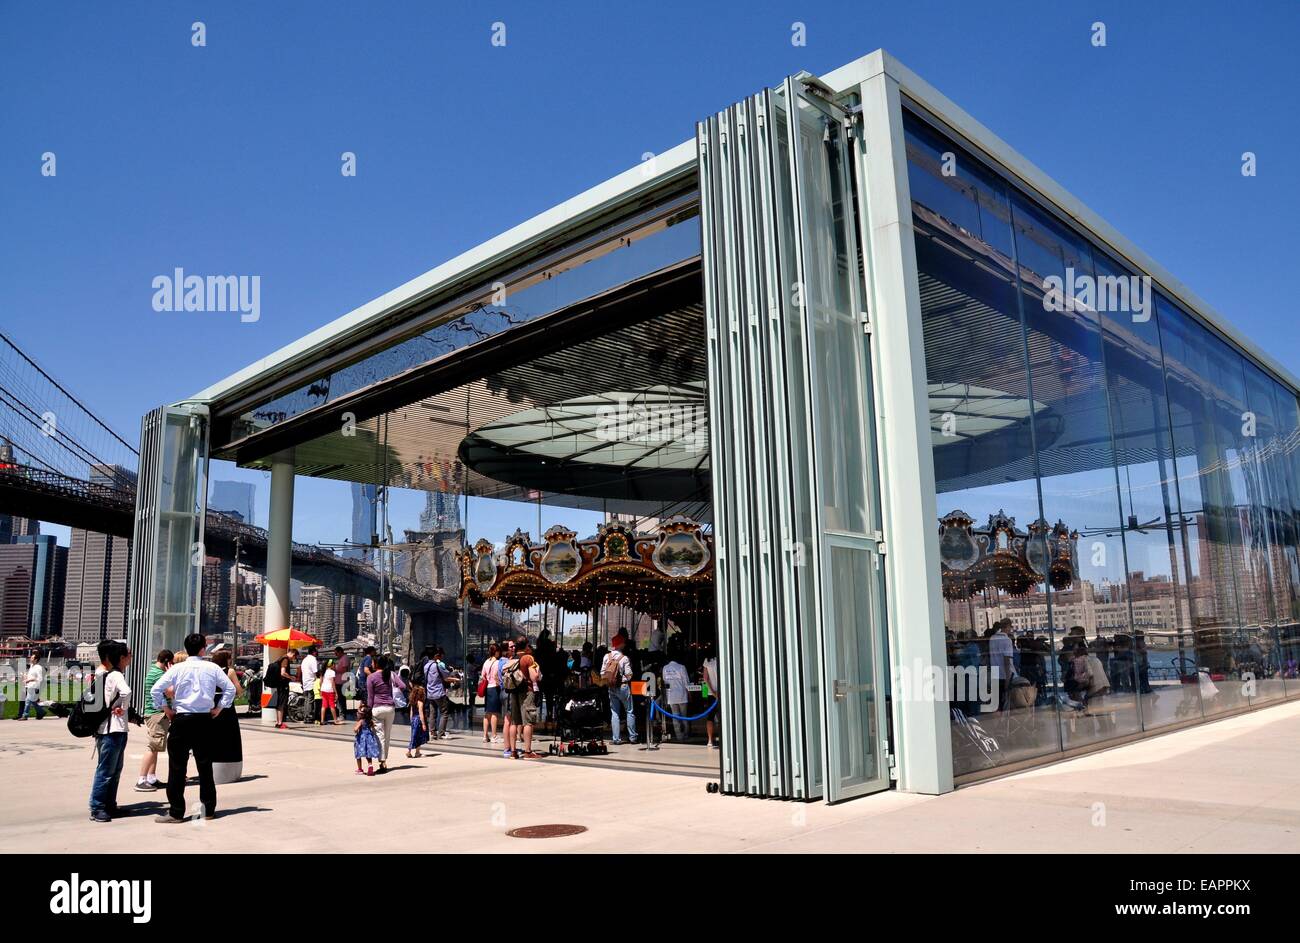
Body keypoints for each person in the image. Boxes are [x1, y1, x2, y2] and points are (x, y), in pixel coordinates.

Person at [150, 633, 236, 824]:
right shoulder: (212, 667)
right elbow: (230, 689)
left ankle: (176, 812)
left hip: (181, 719)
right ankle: (207, 810)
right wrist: (219, 708)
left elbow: (156, 689)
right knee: (205, 767)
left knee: (177, 767)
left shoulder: (178, 668)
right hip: (204, 719)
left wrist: (166, 708)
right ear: (203, 648)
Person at [88, 639, 133, 823]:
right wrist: (121, 706)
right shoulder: (115, 675)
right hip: (112, 729)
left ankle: (108, 805)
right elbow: (127, 692)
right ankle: (98, 806)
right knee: (107, 771)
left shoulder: (105, 674)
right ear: (120, 658)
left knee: (113, 770)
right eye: (128, 655)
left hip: (111, 728)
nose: (130, 658)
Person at [135, 649, 174, 791]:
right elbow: (170, 692)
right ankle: (141, 779)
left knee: (156, 747)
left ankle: (151, 777)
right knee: (152, 747)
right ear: (167, 662)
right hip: (157, 714)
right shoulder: (159, 674)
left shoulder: (153, 671)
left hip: (155, 714)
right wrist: (171, 674)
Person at [365, 655, 406, 773]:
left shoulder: (371, 677)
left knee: (379, 735)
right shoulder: (391, 674)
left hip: (377, 709)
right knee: (387, 735)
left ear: (376, 664)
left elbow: (370, 697)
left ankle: (382, 761)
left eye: (372, 662)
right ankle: (384, 760)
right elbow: (402, 686)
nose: (371, 664)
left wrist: (368, 711)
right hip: (390, 708)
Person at [504, 634, 541, 759]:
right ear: (526, 645)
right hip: (526, 692)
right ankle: (528, 751)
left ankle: (513, 752)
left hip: (513, 691)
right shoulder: (528, 658)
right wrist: (538, 671)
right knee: (528, 722)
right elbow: (533, 677)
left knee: (514, 722)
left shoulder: (512, 658)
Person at [601, 632, 638, 745]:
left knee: (615, 713)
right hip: (623, 687)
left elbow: (602, 673)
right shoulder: (624, 658)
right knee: (629, 711)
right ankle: (632, 737)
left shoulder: (606, 657)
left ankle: (616, 738)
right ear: (620, 644)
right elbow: (629, 674)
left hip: (611, 687)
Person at [662, 645, 691, 742]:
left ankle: (679, 737)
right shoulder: (681, 667)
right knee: (684, 717)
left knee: (675, 717)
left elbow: (665, 682)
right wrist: (690, 694)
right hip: (682, 695)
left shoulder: (665, 668)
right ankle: (686, 735)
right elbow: (686, 682)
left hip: (671, 696)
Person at [425, 647, 453, 740]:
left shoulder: (426, 666)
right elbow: (446, 674)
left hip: (430, 692)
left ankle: (432, 732)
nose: (441, 657)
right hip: (438, 692)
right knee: (444, 712)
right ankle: (441, 733)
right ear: (436, 655)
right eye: (440, 655)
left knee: (432, 713)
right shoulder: (437, 665)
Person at [481, 642, 502, 744]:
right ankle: (494, 735)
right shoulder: (498, 663)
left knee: (487, 713)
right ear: (496, 652)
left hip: (487, 688)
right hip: (495, 688)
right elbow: (498, 677)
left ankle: (485, 736)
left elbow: (483, 676)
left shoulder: (486, 662)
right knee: (494, 713)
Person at [265, 654, 293, 728]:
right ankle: (280, 723)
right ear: (293, 654)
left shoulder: (280, 658)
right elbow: (282, 673)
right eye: (294, 657)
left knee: (279, 704)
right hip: (283, 685)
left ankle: (278, 722)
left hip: (279, 685)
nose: (293, 659)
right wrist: (291, 677)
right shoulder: (285, 659)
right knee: (281, 704)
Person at [702, 645, 721, 749]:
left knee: (710, 717)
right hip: (722, 693)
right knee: (722, 716)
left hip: (710, 693)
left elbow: (705, 678)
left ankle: (710, 740)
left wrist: (713, 692)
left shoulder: (706, 661)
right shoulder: (722, 657)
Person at [353, 704, 380, 775]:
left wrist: (356, 729)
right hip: (369, 738)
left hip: (361, 739)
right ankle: (370, 765)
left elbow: (355, 729)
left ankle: (360, 769)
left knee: (358, 753)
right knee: (368, 753)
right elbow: (374, 728)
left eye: (359, 713)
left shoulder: (361, 721)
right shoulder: (369, 721)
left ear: (362, 715)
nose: (357, 713)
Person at [19, 653, 46, 720]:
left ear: (36, 659)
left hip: (35, 686)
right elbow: (31, 676)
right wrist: (25, 677)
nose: (30, 659)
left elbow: (40, 678)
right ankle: (41, 712)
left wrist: (29, 680)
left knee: (27, 701)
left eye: (32, 658)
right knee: (33, 701)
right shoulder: (31, 666)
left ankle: (25, 715)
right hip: (29, 686)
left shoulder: (38, 668)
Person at [406, 683, 429, 758]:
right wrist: (423, 724)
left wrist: (411, 720)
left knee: (414, 735)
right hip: (418, 720)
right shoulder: (420, 703)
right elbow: (421, 713)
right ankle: (415, 752)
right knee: (418, 736)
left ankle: (413, 751)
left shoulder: (412, 701)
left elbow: (411, 712)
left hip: (413, 719)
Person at [300, 645, 320, 724]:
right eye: (316, 651)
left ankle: (305, 716)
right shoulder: (313, 659)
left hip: (305, 681)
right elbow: (315, 671)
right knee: (310, 700)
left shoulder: (304, 660)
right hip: (311, 682)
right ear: (314, 652)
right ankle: (308, 717)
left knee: (307, 700)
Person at [333, 646, 351, 719]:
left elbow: (344, 670)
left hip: (341, 682)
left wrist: (335, 669)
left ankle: (342, 714)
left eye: (336, 653)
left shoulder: (345, 658)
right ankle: (341, 713)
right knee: (340, 699)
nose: (335, 655)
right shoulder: (342, 659)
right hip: (339, 681)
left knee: (341, 699)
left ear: (340, 651)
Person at [320, 659, 340, 724]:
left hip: (323, 690)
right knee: (332, 705)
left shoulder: (323, 671)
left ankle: (322, 720)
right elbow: (332, 683)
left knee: (324, 705)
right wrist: (336, 692)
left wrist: (320, 689)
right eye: (334, 664)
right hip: (330, 690)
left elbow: (320, 682)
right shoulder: (332, 672)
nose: (334, 666)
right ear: (331, 665)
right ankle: (335, 720)